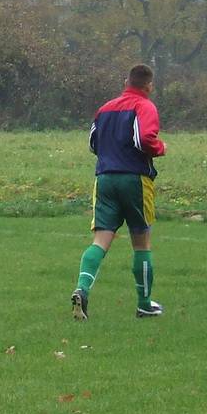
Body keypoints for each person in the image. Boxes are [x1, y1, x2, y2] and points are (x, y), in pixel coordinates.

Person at [70, 63, 166, 321]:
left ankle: (82, 289)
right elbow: (144, 139)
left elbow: (93, 144)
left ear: (126, 82)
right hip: (135, 179)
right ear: (149, 86)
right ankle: (144, 304)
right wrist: (160, 148)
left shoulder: (104, 109)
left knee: (100, 240)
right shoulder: (145, 106)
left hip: (104, 179)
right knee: (141, 242)